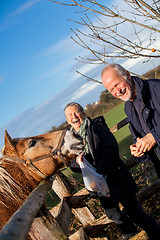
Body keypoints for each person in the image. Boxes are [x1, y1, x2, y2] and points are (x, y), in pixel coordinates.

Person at [64, 102, 160, 240]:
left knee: (136, 213)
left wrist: (98, 170)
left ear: (83, 114)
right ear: (68, 121)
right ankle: (130, 233)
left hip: (116, 177)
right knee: (112, 214)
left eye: (76, 112)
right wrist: (79, 163)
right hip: (100, 186)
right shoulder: (71, 142)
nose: (74, 116)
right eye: (70, 115)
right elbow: (72, 164)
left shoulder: (97, 126)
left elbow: (111, 149)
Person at [101, 63, 160, 178]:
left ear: (127, 75)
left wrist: (154, 136)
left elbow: (152, 137)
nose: (117, 92)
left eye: (117, 84)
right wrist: (138, 151)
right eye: (111, 90)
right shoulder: (128, 108)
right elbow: (138, 138)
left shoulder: (156, 88)